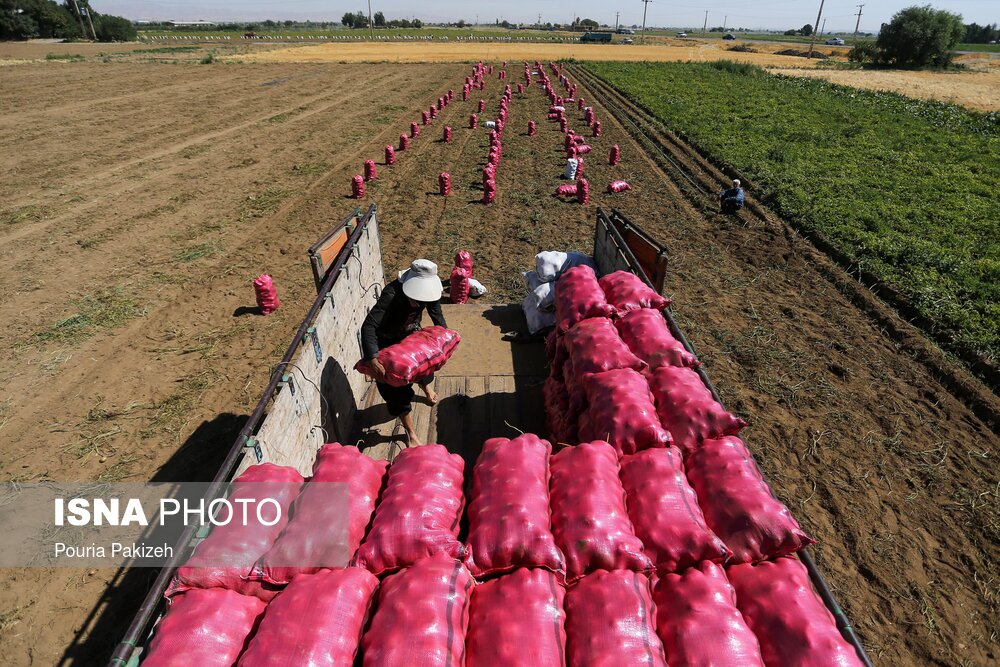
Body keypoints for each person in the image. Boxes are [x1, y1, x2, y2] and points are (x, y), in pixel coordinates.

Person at [361, 259, 447, 446]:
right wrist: (373, 360)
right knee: (394, 390)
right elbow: (369, 326)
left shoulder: (431, 295)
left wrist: (444, 339)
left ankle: (425, 387)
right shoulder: (392, 294)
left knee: (424, 366)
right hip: (388, 341)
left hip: (411, 335)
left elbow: (436, 314)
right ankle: (410, 432)